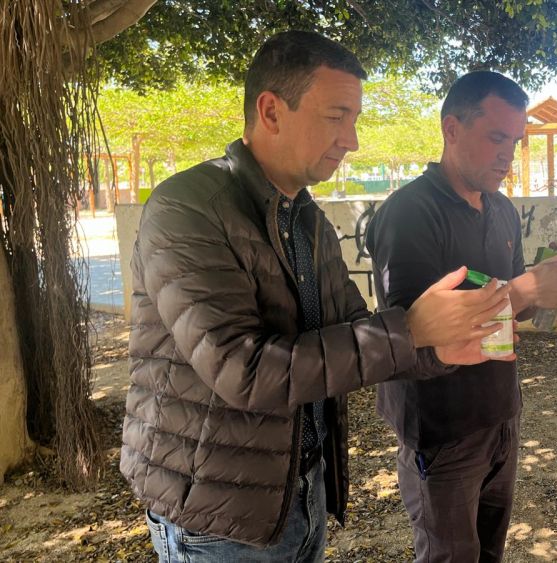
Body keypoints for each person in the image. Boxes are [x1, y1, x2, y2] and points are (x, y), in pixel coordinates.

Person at [121, 31, 513, 561]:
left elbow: (357, 331)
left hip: (300, 490)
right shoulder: (189, 209)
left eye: (355, 120)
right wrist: (413, 330)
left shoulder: (307, 220)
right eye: (336, 116)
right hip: (217, 514)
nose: (352, 140)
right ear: (271, 111)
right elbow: (241, 370)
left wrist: (437, 347)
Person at [364, 70, 557, 562]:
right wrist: (525, 287)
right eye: (495, 137)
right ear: (451, 129)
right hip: (441, 429)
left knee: (491, 552)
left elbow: (512, 306)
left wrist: (545, 291)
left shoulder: (502, 209)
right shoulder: (409, 212)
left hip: (500, 414)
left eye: (515, 140)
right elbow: (409, 335)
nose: (508, 153)